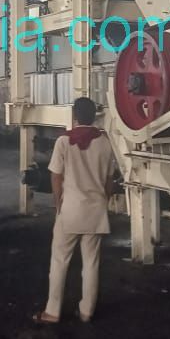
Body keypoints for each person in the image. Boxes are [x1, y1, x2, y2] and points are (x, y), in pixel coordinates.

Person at [33, 96, 116, 324]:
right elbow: (110, 180)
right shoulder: (105, 143)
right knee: (91, 263)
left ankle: (53, 312)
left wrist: (58, 202)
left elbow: (56, 177)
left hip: (70, 209)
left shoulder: (63, 142)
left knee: (60, 261)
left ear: (75, 116)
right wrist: (103, 201)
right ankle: (87, 311)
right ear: (94, 116)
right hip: (95, 210)